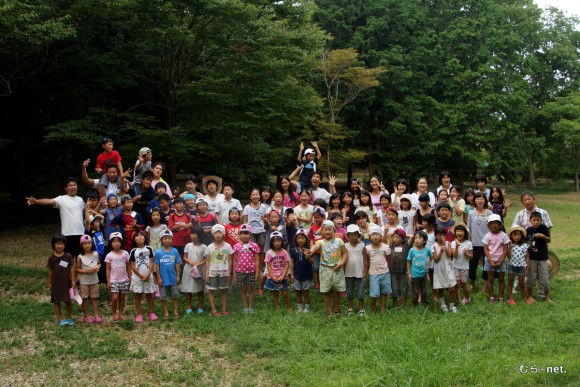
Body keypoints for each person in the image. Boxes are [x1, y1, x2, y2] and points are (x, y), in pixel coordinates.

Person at [27, 177, 85, 258]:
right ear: (66, 188)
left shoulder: (80, 200)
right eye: (70, 185)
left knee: (81, 258)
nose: (73, 187)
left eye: (75, 185)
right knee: (66, 259)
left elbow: (86, 213)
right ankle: (64, 271)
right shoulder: (62, 199)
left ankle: (78, 271)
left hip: (81, 234)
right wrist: (36, 201)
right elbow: (49, 201)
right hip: (67, 234)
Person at [309, 220, 348, 316]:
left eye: (329, 229)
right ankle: (329, 311)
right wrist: (310, 251)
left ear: (333, 230)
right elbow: (315, 246)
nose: (327, 232)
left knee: (337, 291)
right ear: (322, 231)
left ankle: (336, 309)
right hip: (325, 269)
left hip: (337, 269)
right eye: (325, 230)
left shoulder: (339, 241)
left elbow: (345, 253)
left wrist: (342, 263)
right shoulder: (320, 242)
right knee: (326, 291)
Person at [242, 188, 269, 293]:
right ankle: (253, 267)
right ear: (250, 196)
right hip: (251, 232)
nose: (255, 196)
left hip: (261, 231)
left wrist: (265, 219)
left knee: (261, 250)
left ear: (259, 196)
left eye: (257, 194)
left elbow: (266, 222)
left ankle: (260, 267)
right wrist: (245, 232)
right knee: (252, 250)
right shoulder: (247, 208)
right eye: (253, 195)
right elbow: (245, 221)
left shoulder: (263, 207)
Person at [47, 233, 76, 326]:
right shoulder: (51, 258)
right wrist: (49, 282)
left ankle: (69, 317)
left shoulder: (68, 256)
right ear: (53, 245)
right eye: (58, 244)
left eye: (62, 244)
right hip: (56, 282)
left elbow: (71, 268)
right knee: (57, 301)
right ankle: (60, 319)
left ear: (65, 245)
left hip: (66, 282)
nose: (60, 246)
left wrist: (73, 280)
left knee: (68, 300)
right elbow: (50, 270)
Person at [205, 224, 234, 317]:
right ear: (213, 234)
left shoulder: (228, 246)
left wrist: (229, 272)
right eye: (216, 233)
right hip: (212, 272)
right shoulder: (209, 247)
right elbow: (208, 261)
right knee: (211, 291)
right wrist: (207, 274)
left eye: (220, 232)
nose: (218, 235)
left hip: (224, 271)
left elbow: (230, 260)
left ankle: (224, 309)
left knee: (224, 290)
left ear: (223, 234)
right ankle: (213, 310)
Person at [129, 231, 157, 322]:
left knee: (149, 295)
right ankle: (139, 314)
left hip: (149, 277)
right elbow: (132, 265)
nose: (140, 237)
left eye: (142, 235)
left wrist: (149, 273)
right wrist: (140, 275)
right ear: (134, 239)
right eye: (137, 236)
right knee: (138, 296)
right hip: (137, 278)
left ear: (145, 238)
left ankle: (151, 312)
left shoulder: (149, 249)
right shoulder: (133, 251)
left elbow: (152, 261)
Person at [466, 192, 492, 291]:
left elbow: (492, 228)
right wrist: (468, 242)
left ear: (485, 200)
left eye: (481, 198)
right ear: (474, 201)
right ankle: (473, 284)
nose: (479, 200)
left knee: (486, 266)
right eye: (477, 198)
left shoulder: (489, 213)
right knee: (472, 266)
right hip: (474, 244)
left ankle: (485, 286)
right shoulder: (471, 213)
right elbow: (468, 228)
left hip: (487, 244)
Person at [525, 212, 552, 304]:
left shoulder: (544, 228)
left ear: (541, 220)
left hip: (543, 256)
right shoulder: (528, 230)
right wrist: (531, 247)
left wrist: (542, 236)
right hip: (531, 257)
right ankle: (529, 296)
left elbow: (549, 240)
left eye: (538, 220)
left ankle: (547, 297)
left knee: (544, 276)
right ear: (530, 221)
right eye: (534, 220)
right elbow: (526, 243)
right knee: (531, 276)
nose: (536, 222)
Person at [233, 224, 260, 313]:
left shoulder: (254, 246)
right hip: (240, 271)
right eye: (242, 233)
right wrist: (234, 273)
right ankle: (245, 307)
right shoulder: (236, 246)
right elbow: (235, 260)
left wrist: (257, 272)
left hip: (251, 271)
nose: (244, 235)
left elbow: (257, 260)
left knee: (250, 289)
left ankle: (250, 306)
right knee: (243, 289)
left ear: (250, 235)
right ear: (239, 235)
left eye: (246, 233)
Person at [154, 229, 182, 318]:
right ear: (161, 240)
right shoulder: (158, 252)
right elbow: (157, 266)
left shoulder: (175, 251)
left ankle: (176, 310)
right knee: (163, 296)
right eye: (165, 238)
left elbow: (177, 264)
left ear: (172, 239)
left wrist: (178, 276)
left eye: (169, 238)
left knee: (175, 295)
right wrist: (158, 277)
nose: (167, 240)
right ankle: (165, 311)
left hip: (173, 278)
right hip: (163, 278)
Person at [482, 214, 509, 303]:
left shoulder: (504, 235)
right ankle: (491, 296)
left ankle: (501, 297)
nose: (494, 225)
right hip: (490, 260)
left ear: (500, 225)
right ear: (489, 225)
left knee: (501, 279)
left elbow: (505, 249)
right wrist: (490, 261)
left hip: (501, 259)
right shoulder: (487, 236)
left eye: (496, 223)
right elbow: (485, 249)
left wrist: (501, 260)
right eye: (492, 223)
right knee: (490, 279)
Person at [182, 225, 209, 315]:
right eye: (191, 234)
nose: (192, 236)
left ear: (200, 235)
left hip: (199, 270)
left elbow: (206, 259)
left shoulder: (204, 247)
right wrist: (190, 262)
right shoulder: (188, 245)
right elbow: (184, 257)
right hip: (189, 269)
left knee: (200, 289)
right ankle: (188, 306)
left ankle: (200, 306)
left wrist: (200, 263)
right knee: (188, 288)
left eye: (195, 234)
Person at [76, 234, 102, 324]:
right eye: (85, 244)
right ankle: (86, 315)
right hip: (84, 281)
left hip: (94, 279)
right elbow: (78, 269)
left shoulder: (95, 254)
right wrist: (87, 271)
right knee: (85, 298)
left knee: (94, 298)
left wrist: (97, 267)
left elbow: (99, 263)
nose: (87, 245)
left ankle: (96, 314)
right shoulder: (80, 256)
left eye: (89, 243)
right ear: (81, 245)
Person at [105, 232, 131, 322]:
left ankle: (120, 313)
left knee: (122, 298)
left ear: (121, 243)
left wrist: (129, 277)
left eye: (118, 242)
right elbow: (108, 269)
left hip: (124, 279)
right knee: (115, 298)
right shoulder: (109, 255)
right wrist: (108, 281)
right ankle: (114, 313)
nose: (116, 244)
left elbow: (128, 266)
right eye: (114, 242)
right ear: (110, 243)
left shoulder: (125, 254)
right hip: (114, 280)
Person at [366, 224, 392, 312]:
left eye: (377, 234)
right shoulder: (367, 248)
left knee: (384, 292)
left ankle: (382, 308)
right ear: (369, 237)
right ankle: (373, 309)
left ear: (381, 236)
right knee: (374, 293)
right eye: (373, 235)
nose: (375, 237)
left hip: (385, 272)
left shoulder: (385, 247)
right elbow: (367, 261)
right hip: (373, 274)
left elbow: (388, 258)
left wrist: (386, 267)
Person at [264, 231, 292, 311]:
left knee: (285, 293)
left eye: (279, 240)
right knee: (275, 293)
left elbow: (287, 264)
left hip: (283, 277)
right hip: (273, 277)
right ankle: (277, 308)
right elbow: (268, 266)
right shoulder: (269, 253)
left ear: (282, 241)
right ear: (271, 242)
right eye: (275, 241)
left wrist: (283, 275)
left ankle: (289, 307)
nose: (277, 243)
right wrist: (272, 277)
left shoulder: (284, 252)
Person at [343, 225, 368, 315]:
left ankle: (361, 309)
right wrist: (343, 271)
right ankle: (350, 308)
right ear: (348, 236)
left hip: (359, 272)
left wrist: (365, 270)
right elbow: (344, 259)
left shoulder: (362, 246)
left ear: (358, 235)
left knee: (360, 292)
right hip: (349, 272)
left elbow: (365, 259)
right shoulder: (345, 246)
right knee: (349, 291)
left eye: (355, 234)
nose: (353, 236)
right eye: (351, 234)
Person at [432, 227, 457, 312]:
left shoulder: (448, 243)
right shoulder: (434, 246)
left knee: (452, 287)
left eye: (443, 235)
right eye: (439, 235)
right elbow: (436, 259)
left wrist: (445, 248)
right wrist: (440, 251)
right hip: (439, 268)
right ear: (436, 236)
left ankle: (452, 305)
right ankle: (442, 304)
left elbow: (450, 255)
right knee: (441, 287)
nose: (441, 237)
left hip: (448, 267)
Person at [290, 229, 314, 313]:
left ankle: (307, 308)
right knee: (298, 292)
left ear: (306, 239)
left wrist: (307, 256)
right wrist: (292, 274)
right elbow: (292, 263)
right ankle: (299, 308)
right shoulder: (293, 250)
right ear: (296, 239)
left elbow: (312, 262)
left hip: (307, 275)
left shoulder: (309, 250)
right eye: (298, 238)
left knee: (306, 293)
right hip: (297, 275)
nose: (300, 240)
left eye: (302, 238)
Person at [386, 228, 410, 308]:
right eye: (394, 237)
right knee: (394, 288)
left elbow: (412, 236)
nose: (395, 239)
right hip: (392, 270)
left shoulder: (406, 246)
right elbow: (389, 235)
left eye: (398, 237)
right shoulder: (391, 245)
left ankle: (403, 304)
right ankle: (395, 304)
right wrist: (396, 233)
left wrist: (403, 234)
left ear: (403, 239)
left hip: (403, 271)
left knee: (404, 288)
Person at [407, 231, 432, 307]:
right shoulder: (412, 250)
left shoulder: (427, 250)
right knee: (415, 291)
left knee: (424, 291)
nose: (417, 240)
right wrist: (409, 273)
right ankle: (415, 306)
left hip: (423, 274)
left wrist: (428, 266)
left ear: (424, 240)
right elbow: (408, 261)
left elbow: (431, 257)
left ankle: (424, 305)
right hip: (414, 274)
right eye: (415, 238)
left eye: (419, 238)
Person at [506, 226, 529, 305]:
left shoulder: (524, 246)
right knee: (510, 282)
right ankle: (511, 298)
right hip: (511, 265)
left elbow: (527, 258)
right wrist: (510, 249)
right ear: (511, 236)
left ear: (521, 236)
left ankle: (525, 298)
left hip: (521, 266)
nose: (516, 237)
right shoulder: (510, 245)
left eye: (519, 235)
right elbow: (508, 257)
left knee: (522, 284)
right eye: (515, 235)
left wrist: (527, 268)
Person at [451, 223, 472, 305]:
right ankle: (460, 300)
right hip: (455, 266)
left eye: (461, 231)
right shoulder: (453, 243)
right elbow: (454, 256)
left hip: (464, 267)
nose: (459, 232)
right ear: (455, 233)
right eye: (458, 231)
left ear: (465, 233)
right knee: (457, 284)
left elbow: (471, 256)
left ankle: (467, 298)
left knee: (464, 284)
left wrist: (466, 254)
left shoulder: (468, 243)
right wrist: (456, 247)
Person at [308, 207, 326, 289]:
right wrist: (311, 245)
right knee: (315, 268)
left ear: (323, 218)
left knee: (324, 267)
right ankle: (316, 283)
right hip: (315, 252)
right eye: (315, 218)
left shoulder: (325, 227)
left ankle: (324, 281)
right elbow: (311, 238)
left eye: (318, 217)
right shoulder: (312, 227)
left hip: (324, 251)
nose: (316, 219)